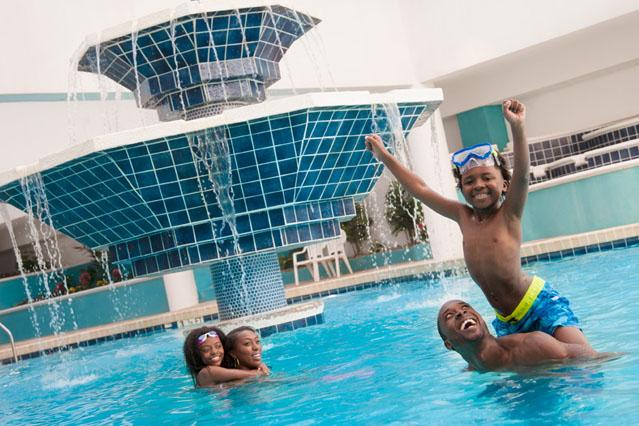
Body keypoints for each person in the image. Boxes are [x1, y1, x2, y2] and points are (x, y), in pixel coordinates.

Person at [365, 100, 591, 349]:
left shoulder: (509, 214)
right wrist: (384, 157)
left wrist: (517, 127)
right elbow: (419, 189)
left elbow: (523, 174)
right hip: (506, 321)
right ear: (461, 188)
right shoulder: (463, 216)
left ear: (504, 184)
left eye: (487, 177)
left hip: (538, 303)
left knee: (583, 356)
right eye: (469, 181)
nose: (479, 185)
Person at [437, 300, 597, 372]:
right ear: (449, 345)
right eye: (449, 316)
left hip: (540, 303)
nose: (461, 312)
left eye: (465, 307)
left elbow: (595, 358)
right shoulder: (473, 369)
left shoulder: (531, 345)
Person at [183, 325, 269, 387]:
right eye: (206, 350)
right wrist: (260, 369)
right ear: (197, 355)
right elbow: (252, 374)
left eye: (218, 346)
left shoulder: (226, 372)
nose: (214, 352)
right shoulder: (206, 372)